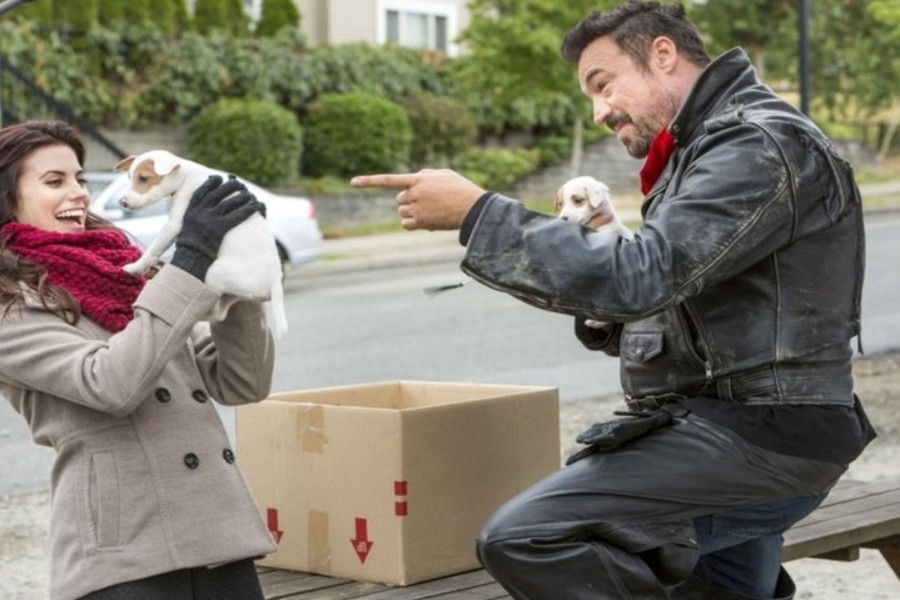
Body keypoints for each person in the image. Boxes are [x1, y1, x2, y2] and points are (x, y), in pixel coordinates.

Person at [351, 2, 875, 599]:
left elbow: (645, 276)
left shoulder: (754, 141)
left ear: (662, 54)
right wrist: (602, 257)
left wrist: (478, 213)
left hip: (761, 434)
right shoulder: (706, 147)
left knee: (526, 537)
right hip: (726, 426)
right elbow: (676, 303)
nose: (600, 111)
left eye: (603, 85)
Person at [0, 120, 278, 600]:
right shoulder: (11, 303)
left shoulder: (125, 271)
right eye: (55, 181)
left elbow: (241, 383)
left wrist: (240, 271)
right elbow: (110, 383)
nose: (79, 194)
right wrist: (188, 262)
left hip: (216, 532)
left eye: (80, 178)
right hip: (124, 551)